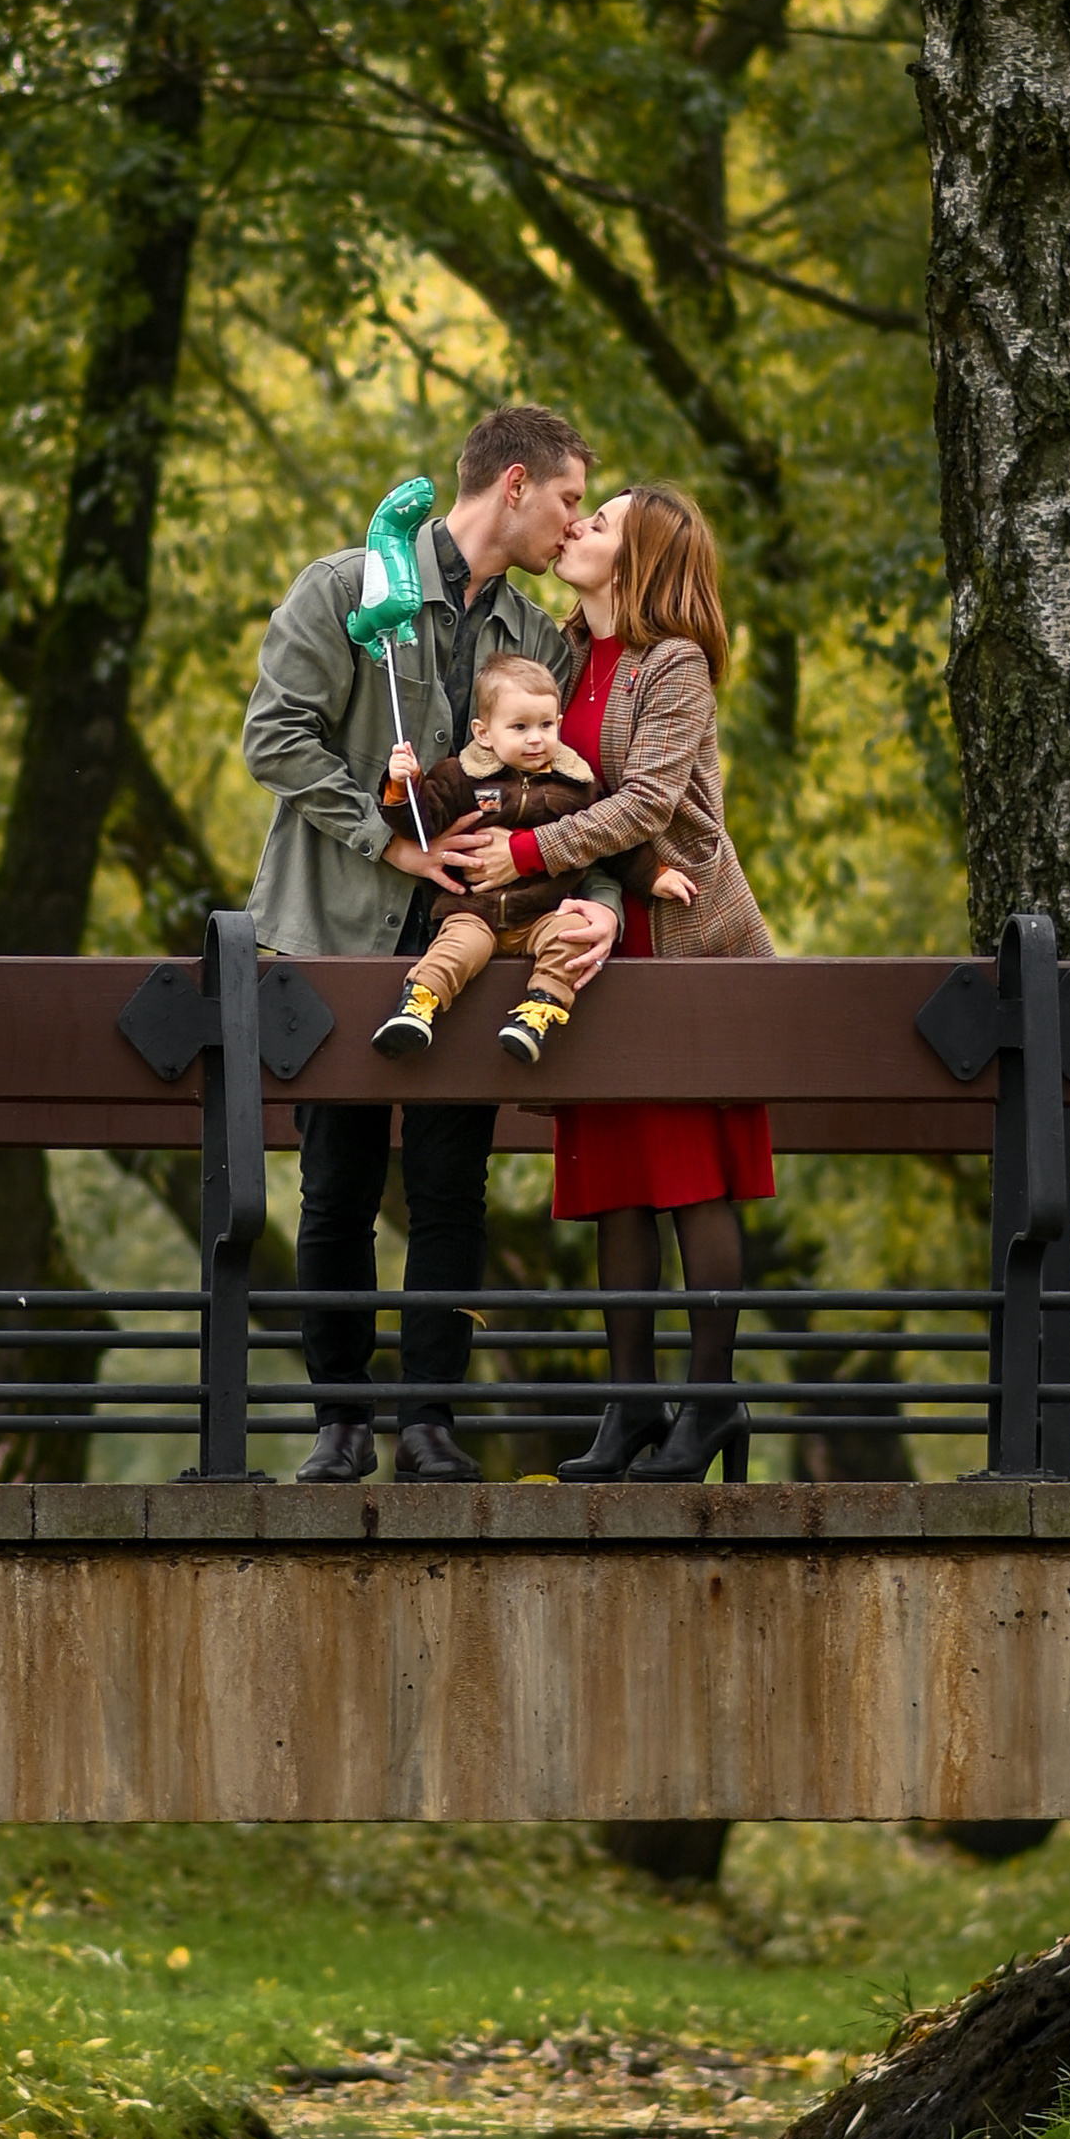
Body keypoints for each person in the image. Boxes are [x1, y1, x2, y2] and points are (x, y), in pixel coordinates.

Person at [243, 407, 621, 1486]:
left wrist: (592, 895)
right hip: (340, 930)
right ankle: (339, 1424)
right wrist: (385, 840)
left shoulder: (538, 637)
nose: (569, 523)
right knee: (336, 1186)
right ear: (513, 483)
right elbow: (272, 734)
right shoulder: (346, 588)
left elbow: (575, 783)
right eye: (563, 500)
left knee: (456, 1191)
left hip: (486, 948)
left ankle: (429, 1424)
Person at [456, 481, 774, 1485]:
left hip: (676, 949)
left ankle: (712, 1398)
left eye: (602, 521)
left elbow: (648, 801)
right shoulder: (558, 659)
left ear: (638, 562)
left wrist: (528, 847)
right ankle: (630, 1404)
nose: (579, 526)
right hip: (582, 954)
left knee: (690, 1179)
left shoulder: (669, 665)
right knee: (615, 1187)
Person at [371, 654, 696, 1067]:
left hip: (542, 910)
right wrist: (403, 787)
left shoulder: (574, 786)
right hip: (475, 909)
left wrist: (654, 875)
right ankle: (418, 1005)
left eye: (546, 725)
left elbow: (611, 843)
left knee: (572, 934)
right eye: (519, 727)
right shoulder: (459, 777)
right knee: (458, 947)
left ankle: (538, 1010)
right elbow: (422, 823)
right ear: (484, 733)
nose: (536, 739)